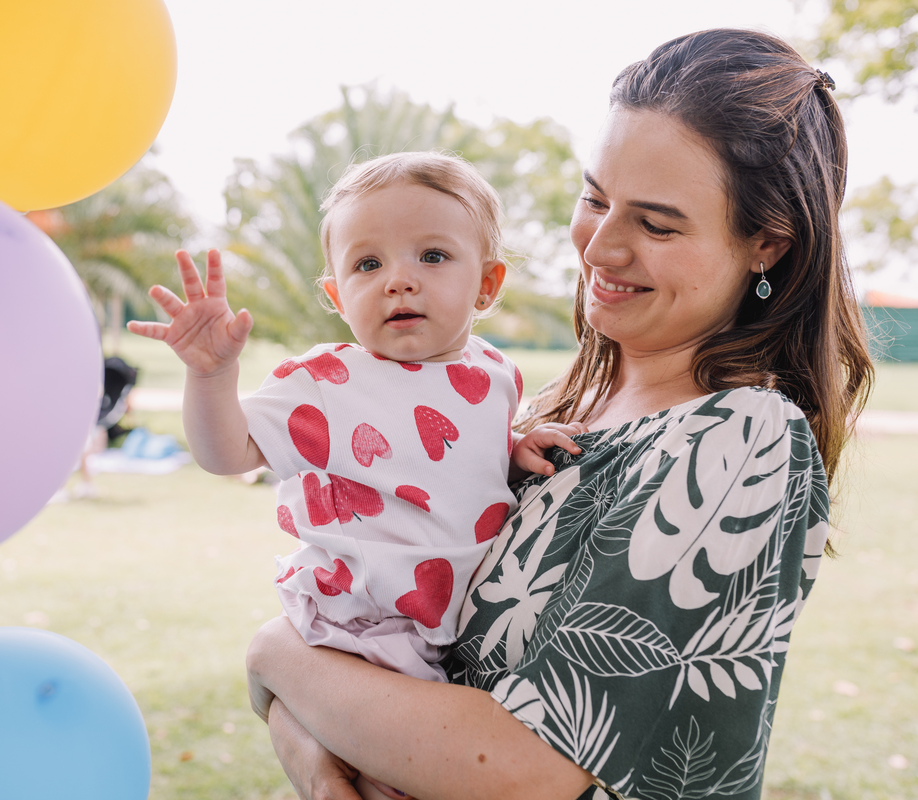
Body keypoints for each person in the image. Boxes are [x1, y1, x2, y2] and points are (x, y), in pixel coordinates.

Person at [244, 28, 874, 800]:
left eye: (657, 223)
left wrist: (277, 654)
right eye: (595, 198)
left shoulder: (743, 440)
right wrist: (309, 753)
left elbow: (527, 771)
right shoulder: (547, 413)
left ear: (766, 245)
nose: (600, 247)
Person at [129, 153, 585, 794]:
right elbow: (226, 453)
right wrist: (211, 377)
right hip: (355, 628)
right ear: (339, 296)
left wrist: (511, 445)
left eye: (431, 256)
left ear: (486, 285)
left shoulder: (495, 374)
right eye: (368, 264)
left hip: (439, 637)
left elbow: (451, 448)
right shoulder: (324, 382)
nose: (398, 280)